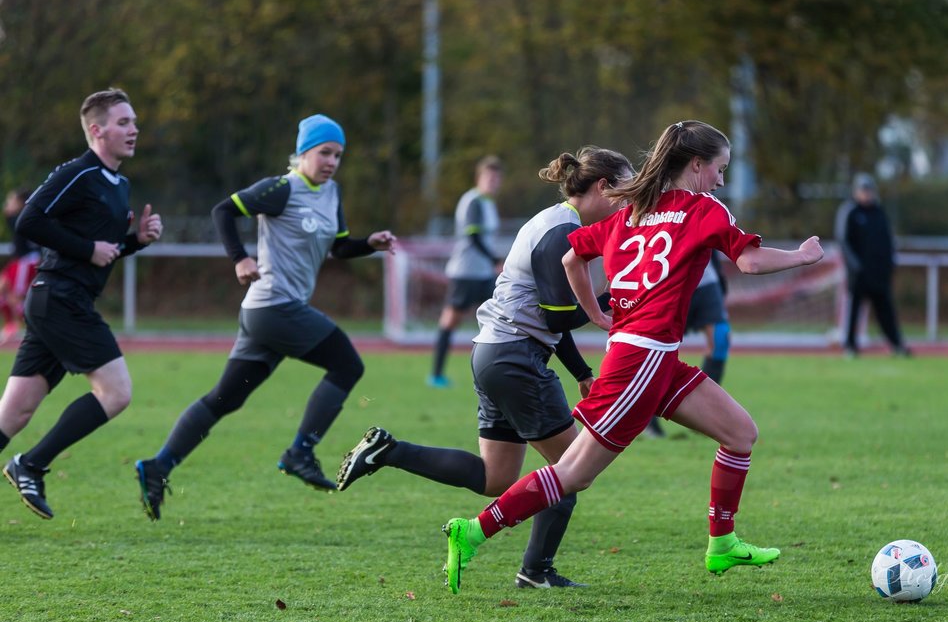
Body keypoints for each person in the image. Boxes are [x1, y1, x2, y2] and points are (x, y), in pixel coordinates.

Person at [440, 120, 824, 593]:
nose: (722, 179)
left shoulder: (631, 212)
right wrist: (803, 257)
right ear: (698, 165)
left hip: (654, 358)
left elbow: (571, 258)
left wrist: (597, 316)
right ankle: (473, 531)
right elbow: (749, 261)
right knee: (573, 475)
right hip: (640, 362)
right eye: (720, 169)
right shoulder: (704, 209)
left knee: (740, 433)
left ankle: (722, 544)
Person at [336, 146, 634, 588]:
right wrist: (622, 295)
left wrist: (583, 373)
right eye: (626, 193)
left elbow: (551, 319)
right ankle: (536, 571)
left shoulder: (554, 222)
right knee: (571, 471)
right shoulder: (561, 233)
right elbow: (557, 316)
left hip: (494, 354)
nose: (628, 204)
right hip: (515, 357)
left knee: (496, 477)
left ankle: (388, 451)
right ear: (603, 187)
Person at [134, 114, 396, 520]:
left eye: (338, 155)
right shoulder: (281, 188)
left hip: (269, 315)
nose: (331, 161)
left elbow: (340, 249)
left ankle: (158, 466)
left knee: (225, 399)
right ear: (304, 152)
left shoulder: (331, 193)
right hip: (273, 307)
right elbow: (223, 210)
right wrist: (239, 259)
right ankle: (300, 452)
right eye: (324, 152)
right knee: (347, 364)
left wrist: (370, 244)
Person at [0, 88, 163, 519]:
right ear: (97, 130)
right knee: (117, 391)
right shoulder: (79, 173)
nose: (134, 129)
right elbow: (31, 220)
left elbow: (101, 251)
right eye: (124, 122)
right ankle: (29, 464)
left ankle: (26, 462)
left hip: (59, 299)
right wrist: (87, 247)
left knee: (14, 412)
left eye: (134, 122)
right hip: (60, 299)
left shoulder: (118, 183)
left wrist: (135, 241)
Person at [430, 155, 503, 387]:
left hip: (484, 274)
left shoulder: (488, 203)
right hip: (465, 273)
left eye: (496, 177)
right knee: (451, 320)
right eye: (489, 177)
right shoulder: (472, 201)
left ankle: (496, 371)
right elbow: (473, 237)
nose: (493, 181)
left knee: (499, 318)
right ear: (479, 178)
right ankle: (436, 374)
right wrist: (494, 260)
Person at [646, 255, 732, 438]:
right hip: (667, 280)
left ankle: (704, 414)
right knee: (656, 346)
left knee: (720, 339)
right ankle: (647, 419)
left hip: (706, 280)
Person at [834, 173, 910, 356]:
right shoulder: (850, 212)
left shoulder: (879, 212)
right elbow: (843, 241)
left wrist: (890, 263)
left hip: (879, 272)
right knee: (854, 310)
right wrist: (855, 266)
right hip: (859, 274)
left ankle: (896, 344)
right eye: (863, 190)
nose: (867, 194)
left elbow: (887, 241)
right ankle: (850, 346)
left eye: (869, 190)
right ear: (856, 192)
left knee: (886, 310)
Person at [1, 188, 40, 342]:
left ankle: (32, 325)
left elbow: (8, 213)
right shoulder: (26, 218)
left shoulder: (22, 218)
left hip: (26, 261)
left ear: (21, 203)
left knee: (15, 296)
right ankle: (13, 324)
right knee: (3, 289)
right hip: (19, 260)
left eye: (12, 200)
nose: (8, 203)